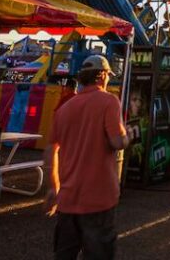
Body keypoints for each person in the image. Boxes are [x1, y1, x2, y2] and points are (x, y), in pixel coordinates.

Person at [45, 55, 128, 260]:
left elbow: (50, 151)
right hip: (98, 198)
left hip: (67, 198)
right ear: (102, 76)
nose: (108, 79)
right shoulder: (109, 101)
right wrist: (128, 137)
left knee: (65, 254)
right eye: (108, 75)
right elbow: (117, 142)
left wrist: (53, 186)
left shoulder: (64, 109)